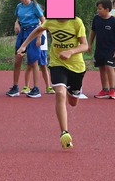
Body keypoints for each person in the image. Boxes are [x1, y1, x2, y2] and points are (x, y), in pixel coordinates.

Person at [17, 13, 89, 149]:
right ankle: (64, 133)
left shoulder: (76, 22)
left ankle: (71, 91)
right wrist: (24, 45)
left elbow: (85, 45)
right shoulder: (50, 21)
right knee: (59, 94)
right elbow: (38, 30)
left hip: (76, 67)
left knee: (73, 102)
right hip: (57, 64)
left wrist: (70, 52)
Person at [7, 0, 45, 98]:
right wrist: (16, 24)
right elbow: (18, 18)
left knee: (33, 61)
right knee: (18, 59)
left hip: (33, 31)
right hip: (22, 33)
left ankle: (36, 88)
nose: (23, 0)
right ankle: (15, 87)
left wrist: (39, 36)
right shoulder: (19, 6)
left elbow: (43, 21)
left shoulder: (35, 7)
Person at [88, 0, 115, 99]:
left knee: (109, 67)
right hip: (99, 48)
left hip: (110, 49)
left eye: (100, 9)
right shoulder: (96, 19)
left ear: (107, 9)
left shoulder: (114, 21)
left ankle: (113, 90)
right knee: (101, 68)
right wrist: (89, 44)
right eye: (97, 9)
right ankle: (104, 89)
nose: (98, 11)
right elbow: (93, 32)